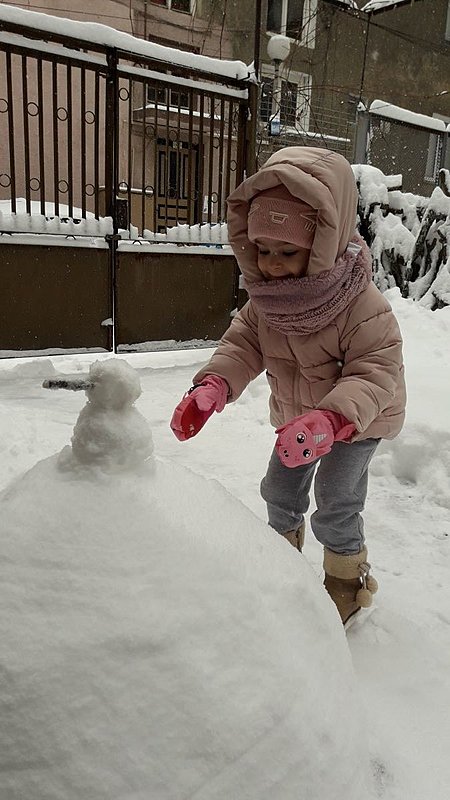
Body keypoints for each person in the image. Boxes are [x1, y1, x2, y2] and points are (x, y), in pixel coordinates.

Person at [170, 146, 406, 626]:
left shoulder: (360, 304)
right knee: (279, 490)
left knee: (336, 500)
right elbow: (243, 344)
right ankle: (280, 563)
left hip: (355, 422)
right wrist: (214, 385)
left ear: (323, 244)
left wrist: (333, 418)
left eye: (288, 252)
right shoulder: (267, 301)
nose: (273, 264)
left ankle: (346, 580)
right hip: (299, 420)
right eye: (264, 250)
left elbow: (376, 370)